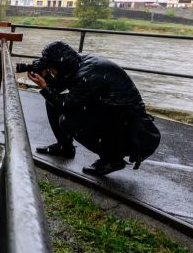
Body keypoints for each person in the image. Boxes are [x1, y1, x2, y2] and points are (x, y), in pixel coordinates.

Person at [27, 41, 160, 176]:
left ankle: (112, 160)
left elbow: (66, 105)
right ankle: (64, 147)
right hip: (107, 112)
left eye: (51, 68)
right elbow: (59, 88)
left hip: (128, 128)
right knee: (51, 102)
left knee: (67, 121)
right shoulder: (76, 63)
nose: (51, 71)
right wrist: (46, 78)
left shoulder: (89, 74)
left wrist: (44, 87)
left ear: (60, 64)